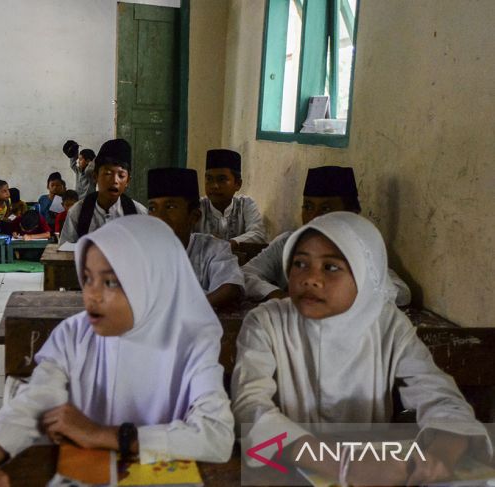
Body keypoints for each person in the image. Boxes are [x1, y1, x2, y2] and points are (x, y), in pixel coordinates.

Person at [0, 216, 234, 486]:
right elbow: (37, 400)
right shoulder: (75, 334)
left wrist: (104, 435)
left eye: (111, 282)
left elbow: (216, 435)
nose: (91, 294)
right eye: (88, 278)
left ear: (153, 283)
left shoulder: (191, 341)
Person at [232, 212, 490, 486]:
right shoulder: (267, 321)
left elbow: (439, 396)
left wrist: (441, 455)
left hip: (374, 470)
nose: (310, 279)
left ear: (367, 276)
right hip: (287, 467)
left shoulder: (387, 323)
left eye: (331, 267)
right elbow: (250, 407)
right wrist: (341, 466)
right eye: (300, 263)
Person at [242, 165, 411, 305]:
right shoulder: (287, 243)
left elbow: (400, 292)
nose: (314, 216)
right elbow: (246, 274)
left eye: (326, 209)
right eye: (307, 207)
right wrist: (278, 295)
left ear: (351, 214)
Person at [147, 167, 244, 308]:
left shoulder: (214, 249)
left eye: (170, 207)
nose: (160, 217)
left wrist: (187, 309)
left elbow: (230, 288)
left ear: (194, 217)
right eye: (152, 208)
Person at [59, 138, 147, 244]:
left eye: (121, 175)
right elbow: (65, 252)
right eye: (107, 174)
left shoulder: (139, 214)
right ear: (95, 176)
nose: (115, 181)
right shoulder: (78, 213)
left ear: (128, 180)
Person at [195, 149, 266, 249]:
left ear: (238, 184)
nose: (214, 186)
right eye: (209, 179)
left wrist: (229, 244)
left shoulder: (245, 204)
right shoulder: (197, 207)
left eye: (221, 180)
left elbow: (258, 234)